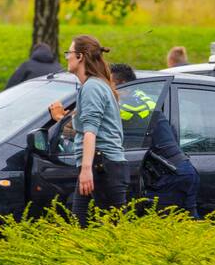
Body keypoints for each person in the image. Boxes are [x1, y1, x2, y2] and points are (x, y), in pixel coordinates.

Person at [48, 36, 128, 227]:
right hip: (100, 164)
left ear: (80, 56)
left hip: (102, 166)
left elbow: (90, 133)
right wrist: (60, 120)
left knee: (112, 230)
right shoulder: (94, 85)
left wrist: (86, 171)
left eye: (69, 53)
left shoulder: (92, 87)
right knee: (81, 223)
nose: (67, 57)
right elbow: (84, 130)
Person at [111, 63, 199, 218]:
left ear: (123, 85)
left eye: (109, 85)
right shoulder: (140, 98)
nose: (107, 91)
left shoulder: (133, 107)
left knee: (160, 225)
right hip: (180, 169)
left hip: (171, 174)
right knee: (189, 224)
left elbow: (108, 121)